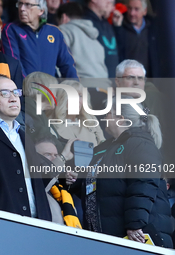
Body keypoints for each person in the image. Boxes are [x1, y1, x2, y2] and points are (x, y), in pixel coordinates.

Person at [82, 97, 173, 248]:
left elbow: (143, 184)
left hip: (135, 236)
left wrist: (135, 223)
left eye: (108, 113)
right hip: (109, 236)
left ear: (120, 118)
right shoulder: (107, 147)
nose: (104, 117)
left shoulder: (140, 143)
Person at [0, 74, 51, 220]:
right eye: (4, 93)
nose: (13, 98)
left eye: (16, 92)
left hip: (37, 224)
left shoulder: (24, 136)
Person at [1, 0, 78, 78]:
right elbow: (14, 65)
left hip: (50, 88)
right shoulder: (11, 30)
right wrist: (29, 87)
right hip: (25, 88)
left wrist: (74, 88)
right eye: (20, 4)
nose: (22, 9)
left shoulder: (54, 32)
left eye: (28, 5)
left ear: (41, 10)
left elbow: (67, 65)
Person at [57, 2, 108, 81]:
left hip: (83, 86)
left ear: (64, 17)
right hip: (104, 86)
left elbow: (59, 58)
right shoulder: (94, 37)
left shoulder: (65, 29)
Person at [45, 80, 105, 146]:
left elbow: (103, 145)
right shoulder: (50, 124)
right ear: (62, 99)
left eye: (80, 96)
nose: (77, 100)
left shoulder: (91, 119)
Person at [115, 0, 158, 77]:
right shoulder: (119, 27)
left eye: (136, 9)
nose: (132, 13)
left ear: (144, 11)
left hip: (150, 79)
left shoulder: (153, 28)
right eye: (129, 8)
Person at [83, 0, 122, 77]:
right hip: (96, 83)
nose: (110, 3)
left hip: (112, 81)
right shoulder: (84, 23)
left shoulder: (106, 23)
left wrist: (118, 28)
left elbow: (117, 51)